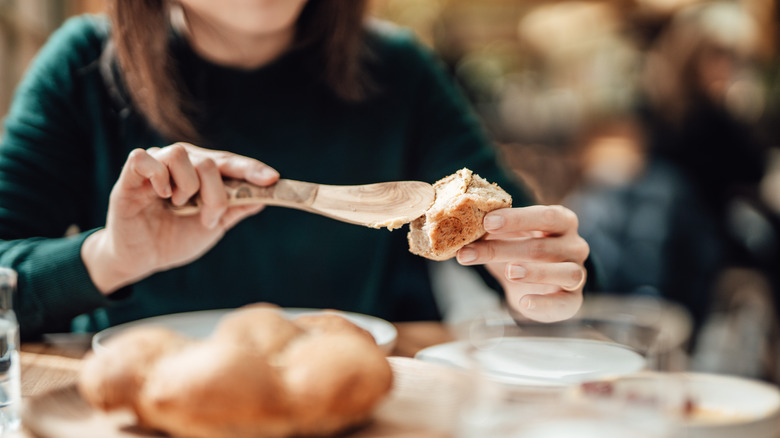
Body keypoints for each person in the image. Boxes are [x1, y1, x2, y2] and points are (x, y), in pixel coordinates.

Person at [0, 0, 589, 340]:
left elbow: (534, 255)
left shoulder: (399, 70)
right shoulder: (82, 66)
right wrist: (112, 258)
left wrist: (542, 284)